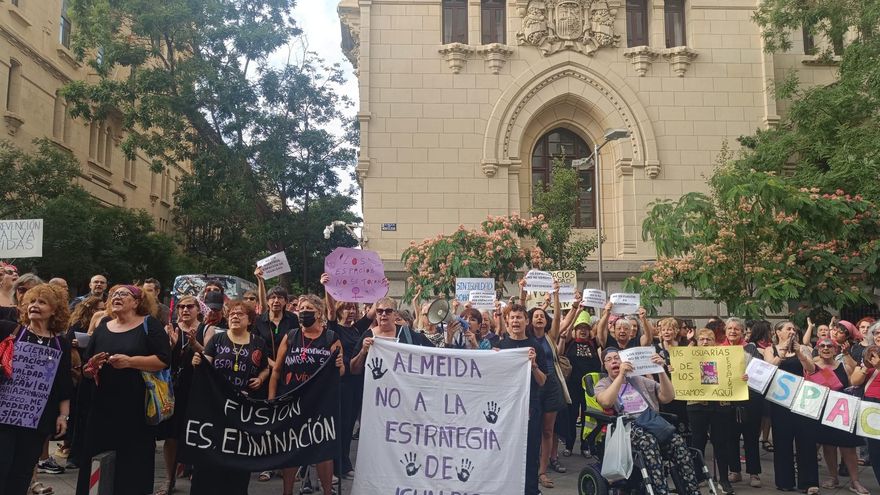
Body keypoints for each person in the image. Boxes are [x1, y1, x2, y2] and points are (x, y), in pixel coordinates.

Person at [77, 285, 171, 495]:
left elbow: (164, 360)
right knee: (95, 456)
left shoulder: (150, 325)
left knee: (133, 462)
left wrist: (130, 362)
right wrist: (92, 366)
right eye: (113, 295)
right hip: (102, 406)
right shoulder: (102, 326)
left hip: (135, 408)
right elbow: (85, 368)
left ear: (136, 302)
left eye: (123, 294)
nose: (116, 297)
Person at [595, 348, 700, 495]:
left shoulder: (638, 380)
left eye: (617, 358)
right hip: (627, 427)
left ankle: (692, 490)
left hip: (651, 421)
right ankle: (660, 491)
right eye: (609, 359)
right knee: (648, 441)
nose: (614, 361)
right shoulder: (603, 384)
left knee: (677, 442)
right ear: (604, 365)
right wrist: (621, 376)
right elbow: (606, 401)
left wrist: (661, 370)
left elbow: (667, 397)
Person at [190, 300, 269, 495]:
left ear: (249, 320)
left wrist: (260, 378)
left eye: (240, 314)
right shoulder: (217, 340)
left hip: (243, 409)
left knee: (238, 453)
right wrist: (197, 361)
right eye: (232, 313)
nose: (235, 316)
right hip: (216, 406)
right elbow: (206, 365)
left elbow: (266, 367)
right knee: (212, 450)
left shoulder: (258, 342)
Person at [0, 284, 72, 495]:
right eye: (32, 301)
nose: (35, 306)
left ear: (54, 310)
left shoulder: (61, 343)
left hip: (37, 418)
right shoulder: (8, 329)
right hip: (4, 415)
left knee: (22, 471)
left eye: (42, 302)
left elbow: (63, 382)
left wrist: (63, 416)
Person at [270, 294, 344, 495]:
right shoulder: (291, 336)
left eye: (308, 310)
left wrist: (340, 365)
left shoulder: (331, 338)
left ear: (319, 313)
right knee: (292, 447)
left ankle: (328, 492)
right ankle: (287, 492)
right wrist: (271, 399)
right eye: (301, 309)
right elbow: (276, 371)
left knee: (322, 449)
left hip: (321, 402)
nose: (303, 313)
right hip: (292, 400)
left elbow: (341, 371)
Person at [761, 320, 819, 494]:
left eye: (794, 329)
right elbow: (769, 368)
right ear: (778, 332)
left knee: (806, 440)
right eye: (788, 329)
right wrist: (784, 350)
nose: (792, 331)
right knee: (782, 440)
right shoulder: (770, 349)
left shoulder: (803, 348)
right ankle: (784, 481)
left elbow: (811, 369)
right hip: (780, 401)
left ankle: (808, 482)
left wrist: (800, 352)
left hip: (802, 400)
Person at [155, 294, 202, 495]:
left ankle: (199, 478)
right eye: (181, 306)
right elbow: (162, 359)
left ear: (198, 309)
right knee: (171, 437)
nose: (184, 310)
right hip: (173, 389)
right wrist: (171, 345)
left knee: (196, 435)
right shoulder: (170, 329)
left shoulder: (206, 329)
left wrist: (195, 345)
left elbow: (210, 355)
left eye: (189, 306)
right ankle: (169, 479)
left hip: (196, 389)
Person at [687, 329, 744, 494]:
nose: (705, 342)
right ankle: (697, 477)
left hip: (720, 404)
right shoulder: (689, 357)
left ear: (715, 341)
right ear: (698, 342)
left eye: (709, 339)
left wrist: (742, 378)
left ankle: (724, 479)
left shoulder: (724, 356)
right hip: (696, 404)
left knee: (721, 442)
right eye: (702, 339)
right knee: (697, 441)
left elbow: (735, 374)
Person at [809, 337, 868, 494]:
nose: (826, 348)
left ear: (835, 350)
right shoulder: (812, 366)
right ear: (818, 349)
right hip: (822, 411)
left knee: (848, 447)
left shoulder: (844, 366)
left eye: (830, 346)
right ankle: (833, 477)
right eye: (822, 346)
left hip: (842, 411)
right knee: (828, 446)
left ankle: (855, 481)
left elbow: (853, 386)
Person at [498, 303, 546, 495]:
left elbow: (543, 381)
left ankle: (531, 490)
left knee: (531, 450)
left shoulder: (536, 347)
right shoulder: (501, 347)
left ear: (527, 321)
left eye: (519, 317)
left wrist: (534, 366)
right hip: (506, 407)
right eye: (512, 318)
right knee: (506, 450)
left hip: (530, 406)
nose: (516, 321)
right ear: (507, 322)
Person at [721, 317, 763, 488]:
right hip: (728, 400)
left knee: (751, 437)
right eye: (729, 328)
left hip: (749, 399)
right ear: (725, 331)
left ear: (742, 332)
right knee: (730, 437)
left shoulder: (752, 349)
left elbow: (760, 371)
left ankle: (754, 473)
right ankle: (735, 471)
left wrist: (750, 376)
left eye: (736, 329)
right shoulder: (718, 350)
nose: (732, 331)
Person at [557, 307, 600, 457]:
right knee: (572, 415)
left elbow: (601, 330)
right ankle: (569, 445)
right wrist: (577, 311)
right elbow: (567, 331)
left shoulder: (593, 344)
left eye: (586, 329)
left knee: (588, 417)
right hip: (573, 386)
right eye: (580, 328)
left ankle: (585, 445)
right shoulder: (569, 343)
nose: (583, 331)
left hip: (590, 388)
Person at [851, 332, 880, 486]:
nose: (879, 335)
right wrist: (865, 367)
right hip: (871, 404)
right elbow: (854, 380)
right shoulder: (867, 355)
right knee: (875, 448)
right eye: (876, 333)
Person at [253, 285, 299, 360]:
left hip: (287, 365)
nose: (276, 300)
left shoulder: (293, 318)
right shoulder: (259, 320)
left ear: (286, 301)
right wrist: (274, 366)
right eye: (273, 297)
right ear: (267, 301)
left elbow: (296, 343)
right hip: (264, 365)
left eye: (280, 297)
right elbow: (254, 346)